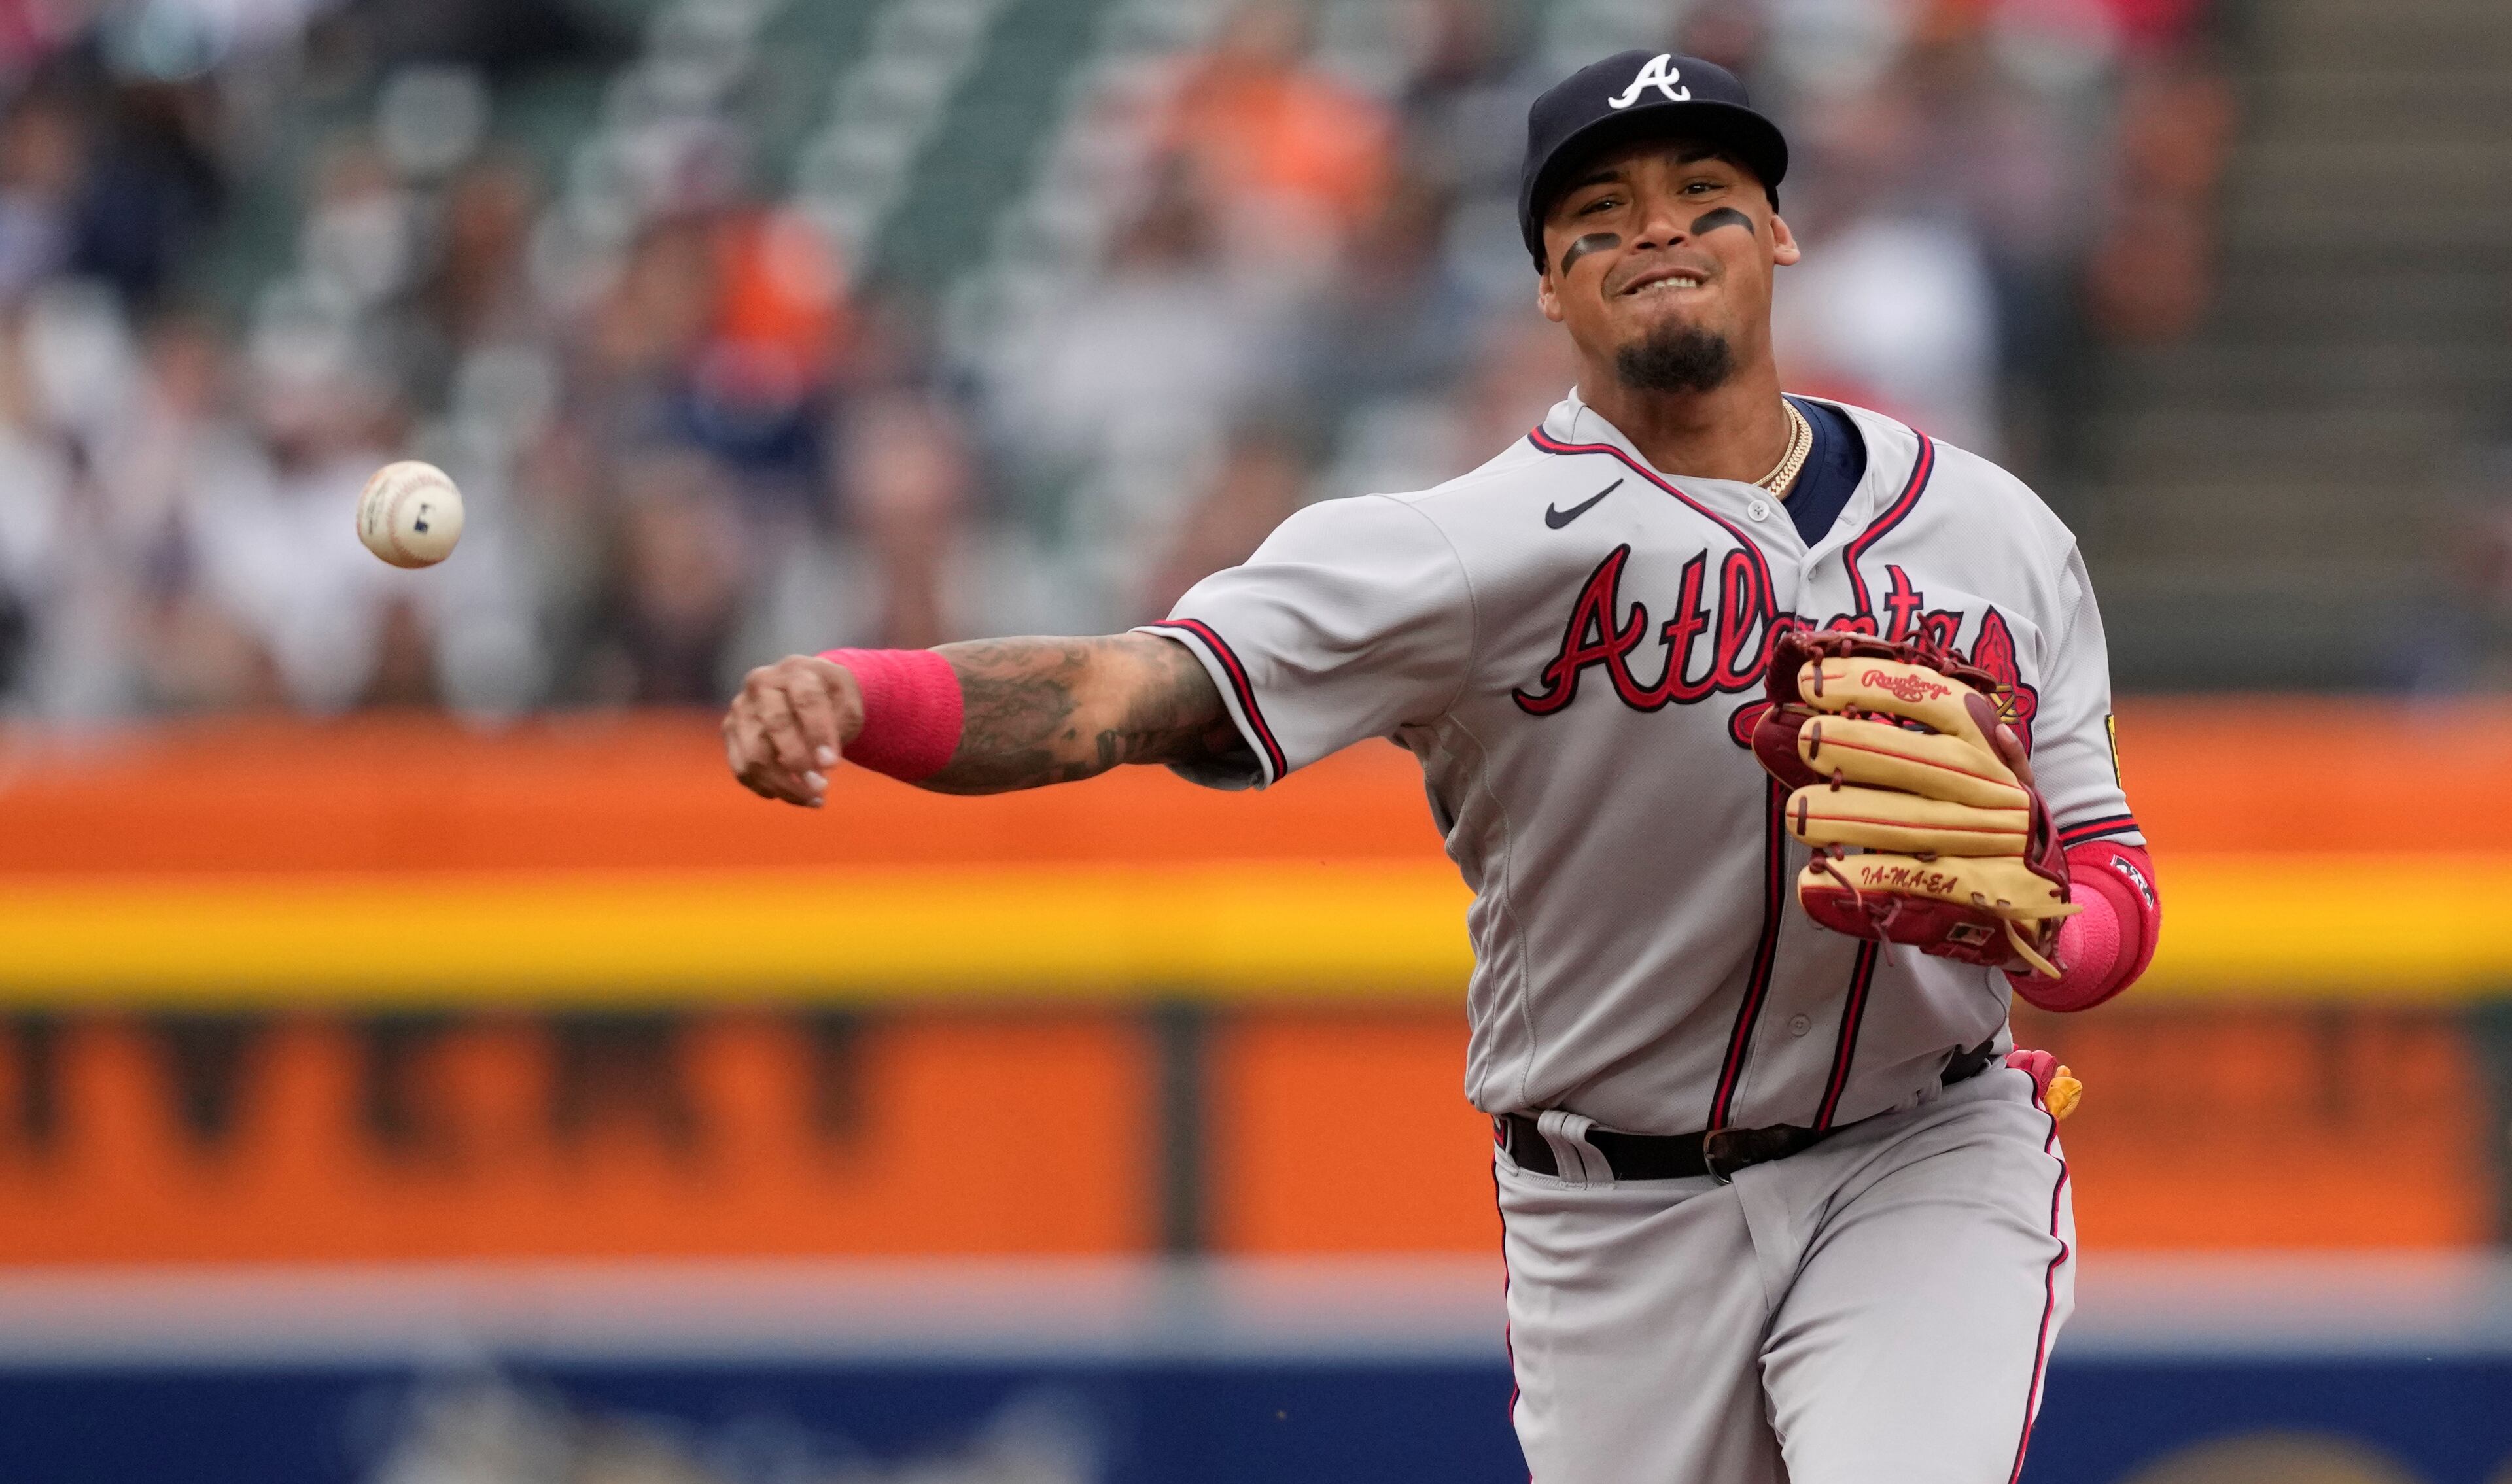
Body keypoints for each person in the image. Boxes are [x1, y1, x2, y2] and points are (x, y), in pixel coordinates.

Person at [720, 52, 2161, 1483]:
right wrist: (862, 689)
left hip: (1928, 1147)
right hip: (1617, 1216)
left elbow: (2115, 881)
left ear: (1779, 231)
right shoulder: (1472, 550)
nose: (1656, 225)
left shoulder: (1996, 532)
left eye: (1703, 191)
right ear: (1548, 280)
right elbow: (1134, 688)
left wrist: (2053, 926)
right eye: (1599, 208)